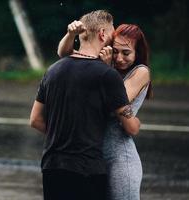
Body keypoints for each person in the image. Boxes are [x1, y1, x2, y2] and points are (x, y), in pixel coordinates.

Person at [30, 10, 141, 200]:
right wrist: (136, 121)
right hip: (87, 169)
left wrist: (64, 135)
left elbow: (35, 120)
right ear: (102, 34)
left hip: (52, 167)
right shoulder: (107, 75)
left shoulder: (53, 70)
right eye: (112, 33)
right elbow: (131, 127)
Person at [57, 21, 153, 200]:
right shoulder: (106, 67)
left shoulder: (141, 72)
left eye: (126, 53)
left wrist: (105, 68)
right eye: (115, 51)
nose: (119, 58)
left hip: (120, 159)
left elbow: (117, 99)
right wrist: (71, 35)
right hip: (94, 158)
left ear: (137, 53)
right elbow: (64, 54)